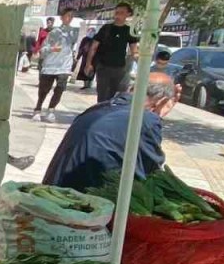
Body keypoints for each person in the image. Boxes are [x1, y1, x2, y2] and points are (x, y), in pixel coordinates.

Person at [41, 72, 179, 192]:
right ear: (162, 100)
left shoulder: (99, 108)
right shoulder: (145, 119)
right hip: (86, 201)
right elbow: (152, 172)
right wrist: (157, 117)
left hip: (56, 187)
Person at [84, 3, 140, 103]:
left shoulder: (129, 30)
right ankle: (100, 114)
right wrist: (88, 64)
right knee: (102, 96)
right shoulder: (106, 28)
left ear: (128, 14)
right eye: (117, 12)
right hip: (103, 67)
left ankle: (106, 114)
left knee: (112, 96)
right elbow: (93, 47)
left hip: (119, 68)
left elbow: (134, 51)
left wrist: (141, 64)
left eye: (122, 13)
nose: (118, 15)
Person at [31, 8, 78, 123]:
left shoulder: (74, 32)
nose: (69, 18)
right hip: (51, 64)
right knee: (44, 89)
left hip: (64, 66)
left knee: (60, 88)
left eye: (72, 16)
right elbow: (43, 49)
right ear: (62, 17)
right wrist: (53, 49)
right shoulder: (54, 32)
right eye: (67, 15)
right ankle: (38, 109)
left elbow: (74, 46)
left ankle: (51, 110)